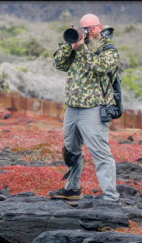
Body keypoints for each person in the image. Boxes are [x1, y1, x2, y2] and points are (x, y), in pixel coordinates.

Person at [48, 14, 120, 201]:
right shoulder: (77, 46)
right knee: (70, 150)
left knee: (100, 152)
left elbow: (100, 66)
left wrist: (81, 48)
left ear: (99, 27)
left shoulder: (108, 49)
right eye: (83, 28)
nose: (87, 32)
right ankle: (72, 189)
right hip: (72, 108)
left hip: (94, 109)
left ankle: (111, 197)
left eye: (90, 28)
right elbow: (58, 64)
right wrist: (70, 45)